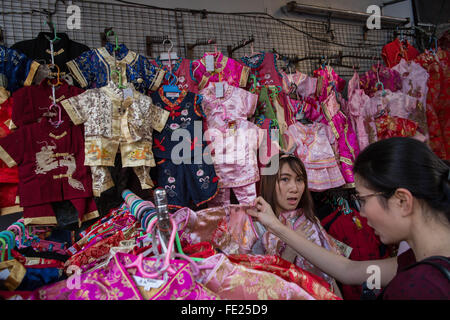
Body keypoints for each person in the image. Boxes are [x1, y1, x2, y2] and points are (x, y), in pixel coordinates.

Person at [247, 137, 450, 300]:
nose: (360, 213)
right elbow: (348, 270)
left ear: (402, 201)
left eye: (363, 199)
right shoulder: (413, 262)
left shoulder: (419, 286)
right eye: (285, 179)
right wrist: (276, 226)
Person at [255, 151, 345, 298]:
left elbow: (330, 273)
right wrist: (292, 245)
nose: (294, 188)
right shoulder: (257, 227)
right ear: (270, 182)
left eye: (299, 180)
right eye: (285, 179)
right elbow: (266, 286)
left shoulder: (310, 222)